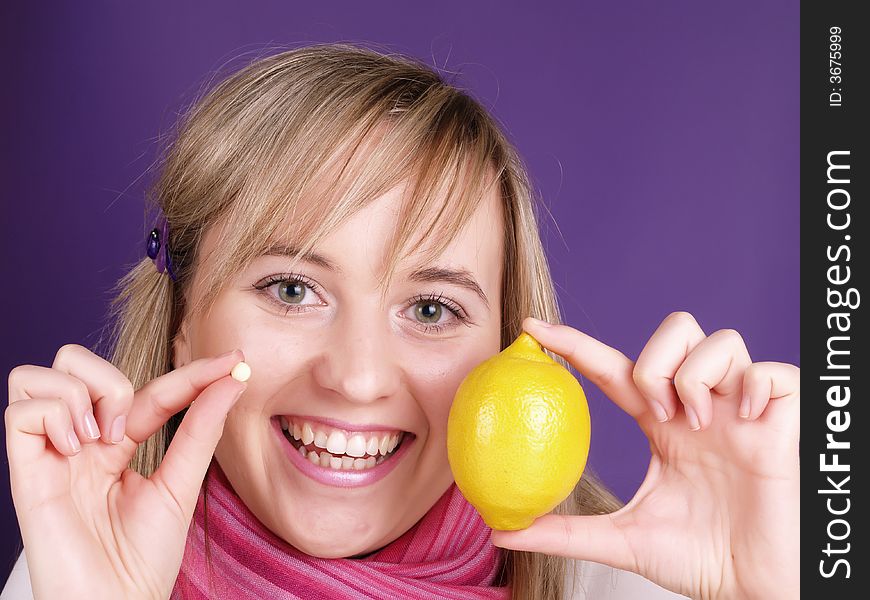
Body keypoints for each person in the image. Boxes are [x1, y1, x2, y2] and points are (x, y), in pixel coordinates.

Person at [2, 43, 799, 600]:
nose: (356, 378)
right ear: (183, 317)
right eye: (291, 289)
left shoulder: (643, 593)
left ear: (503, 346)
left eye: (430, 308)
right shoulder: (72, 577)